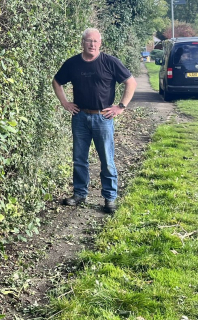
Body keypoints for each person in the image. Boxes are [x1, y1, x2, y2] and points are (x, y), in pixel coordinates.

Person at [52, 28, 137, 213]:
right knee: (79, 158)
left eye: (95, 41)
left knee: (107, 160)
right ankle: (80, 194)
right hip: (80, 117)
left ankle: (109, 199)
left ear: (100, 44)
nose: (92, 44)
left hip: (103, 118)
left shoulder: (110, 62)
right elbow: (57, 81)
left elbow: (131, 82)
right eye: (89, 41)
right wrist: (65, 102)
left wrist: (120, 107)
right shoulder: (73, 63)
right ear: (82, 42)